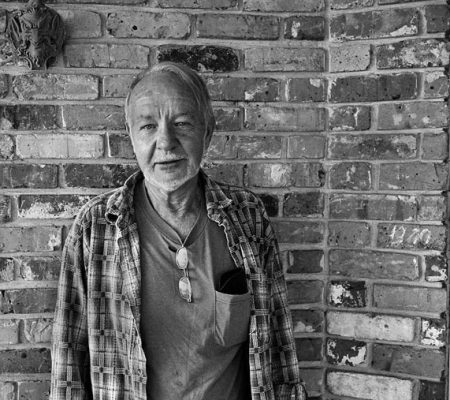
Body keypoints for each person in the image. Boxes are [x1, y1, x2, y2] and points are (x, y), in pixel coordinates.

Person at [50, 62, 307, 400]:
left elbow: (278, 348)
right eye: (147, 126)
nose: (166, 142)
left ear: (208, 131)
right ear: (131, 136)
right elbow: (69, 361)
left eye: (182, 123)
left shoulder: (248, 218)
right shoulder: (95, 227)